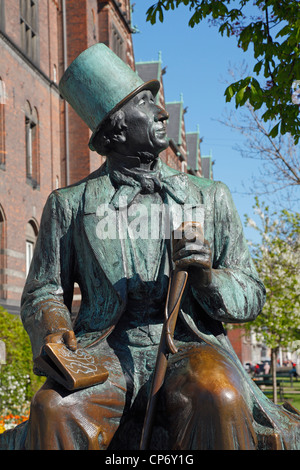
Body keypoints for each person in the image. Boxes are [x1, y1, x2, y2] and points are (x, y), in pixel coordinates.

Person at [1, 44, 300, 451]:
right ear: (116, 128)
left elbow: (250, 290)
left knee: (219, 394)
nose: (162, 112)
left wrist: (208, 278)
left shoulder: (209, 197)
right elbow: (43, 291)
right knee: (54, 407)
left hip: (189, 347)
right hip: (103, 351)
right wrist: (54, 328)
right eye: (146, 102)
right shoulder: (70, 205)